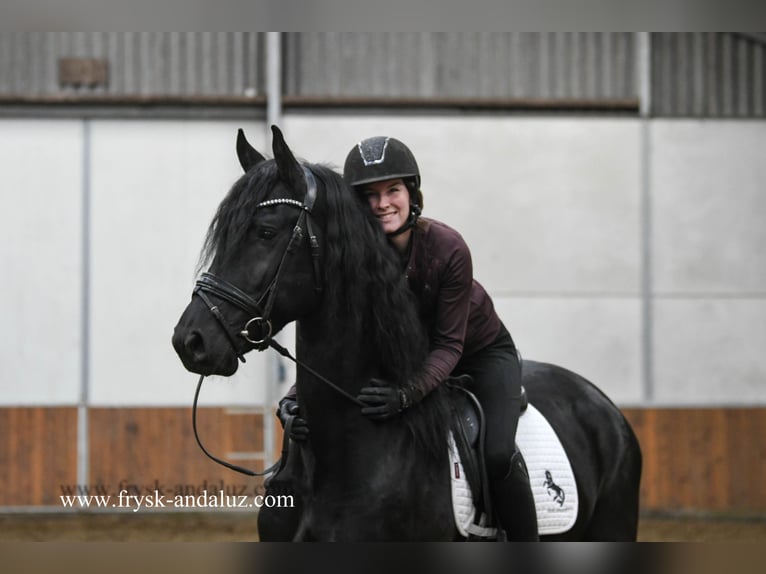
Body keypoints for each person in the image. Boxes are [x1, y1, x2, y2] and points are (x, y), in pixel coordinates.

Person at [277, 136, 538, 541]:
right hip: (407, 357)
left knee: (498, 452)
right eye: (370, 195)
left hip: (477, 353)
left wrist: (406, 394)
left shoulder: (447, 248)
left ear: (411, 193)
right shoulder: (352, 261)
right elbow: (340, 348)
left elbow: (450, 345)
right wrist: (295, 399)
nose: (383, 204)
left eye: (393, 190)